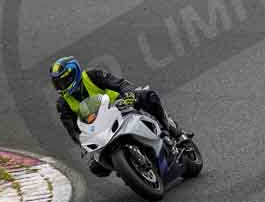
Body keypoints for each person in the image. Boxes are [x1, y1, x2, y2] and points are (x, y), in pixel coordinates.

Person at [50, 56, 186, 176]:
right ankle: (128, 169)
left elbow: (120, 84)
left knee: (147, 96)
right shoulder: (63, 104)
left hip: (120, 107)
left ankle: (169, 128)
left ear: (74, 74)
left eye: (64, 81)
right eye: (57, 83)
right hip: (98, 128)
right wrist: (81, 142)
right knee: (96, 168)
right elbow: (72, 129)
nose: (61, 86)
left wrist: (128, 94)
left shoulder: (92, 75)